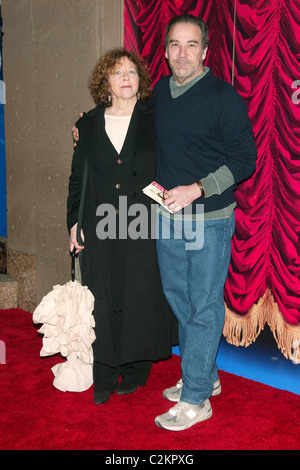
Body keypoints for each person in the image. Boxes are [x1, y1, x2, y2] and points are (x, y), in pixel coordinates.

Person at [149, 14, 257, 431]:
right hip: (165, 218)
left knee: (204, 306)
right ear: (165, 52)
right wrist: (84, 125)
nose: (182, 53)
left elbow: (245, 160)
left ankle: (196, 398)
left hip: (209, 221)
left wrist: (197, 188)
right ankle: (205, 376)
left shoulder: (222, 96)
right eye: (174, 44)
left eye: (191, 45)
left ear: (205, 51)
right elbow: (131, 121)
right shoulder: (160, 91)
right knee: (180, 300)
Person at [67, 48, 177, 405]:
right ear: (106, 83)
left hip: (143, 223)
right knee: (102, 295)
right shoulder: (87, 124)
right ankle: (104, 371)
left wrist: (166, 206)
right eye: (117, 73)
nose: (126, 77)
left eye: (132, 71)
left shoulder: (155, 119)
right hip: (98, 225)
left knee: (138, 296)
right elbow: (77, 178)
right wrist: (73, 223)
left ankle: (134, 369)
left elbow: (170, 167)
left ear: (140, 79)